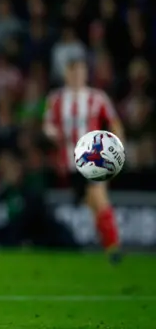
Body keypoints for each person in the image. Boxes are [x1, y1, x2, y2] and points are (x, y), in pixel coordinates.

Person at [43, 57, 124, 264]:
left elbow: (114, 123)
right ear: (66, 74)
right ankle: (109, 244)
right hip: (69, 164)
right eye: (73, 72)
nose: (77, 76)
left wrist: (117, 147)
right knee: (93, 205)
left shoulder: (97, 98)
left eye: (80, 72)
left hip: (95, 159)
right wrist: (52, 134)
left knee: (99, 198)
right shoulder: (57, 99)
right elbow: (48, 125)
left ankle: (114, 249)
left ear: (86, 74)